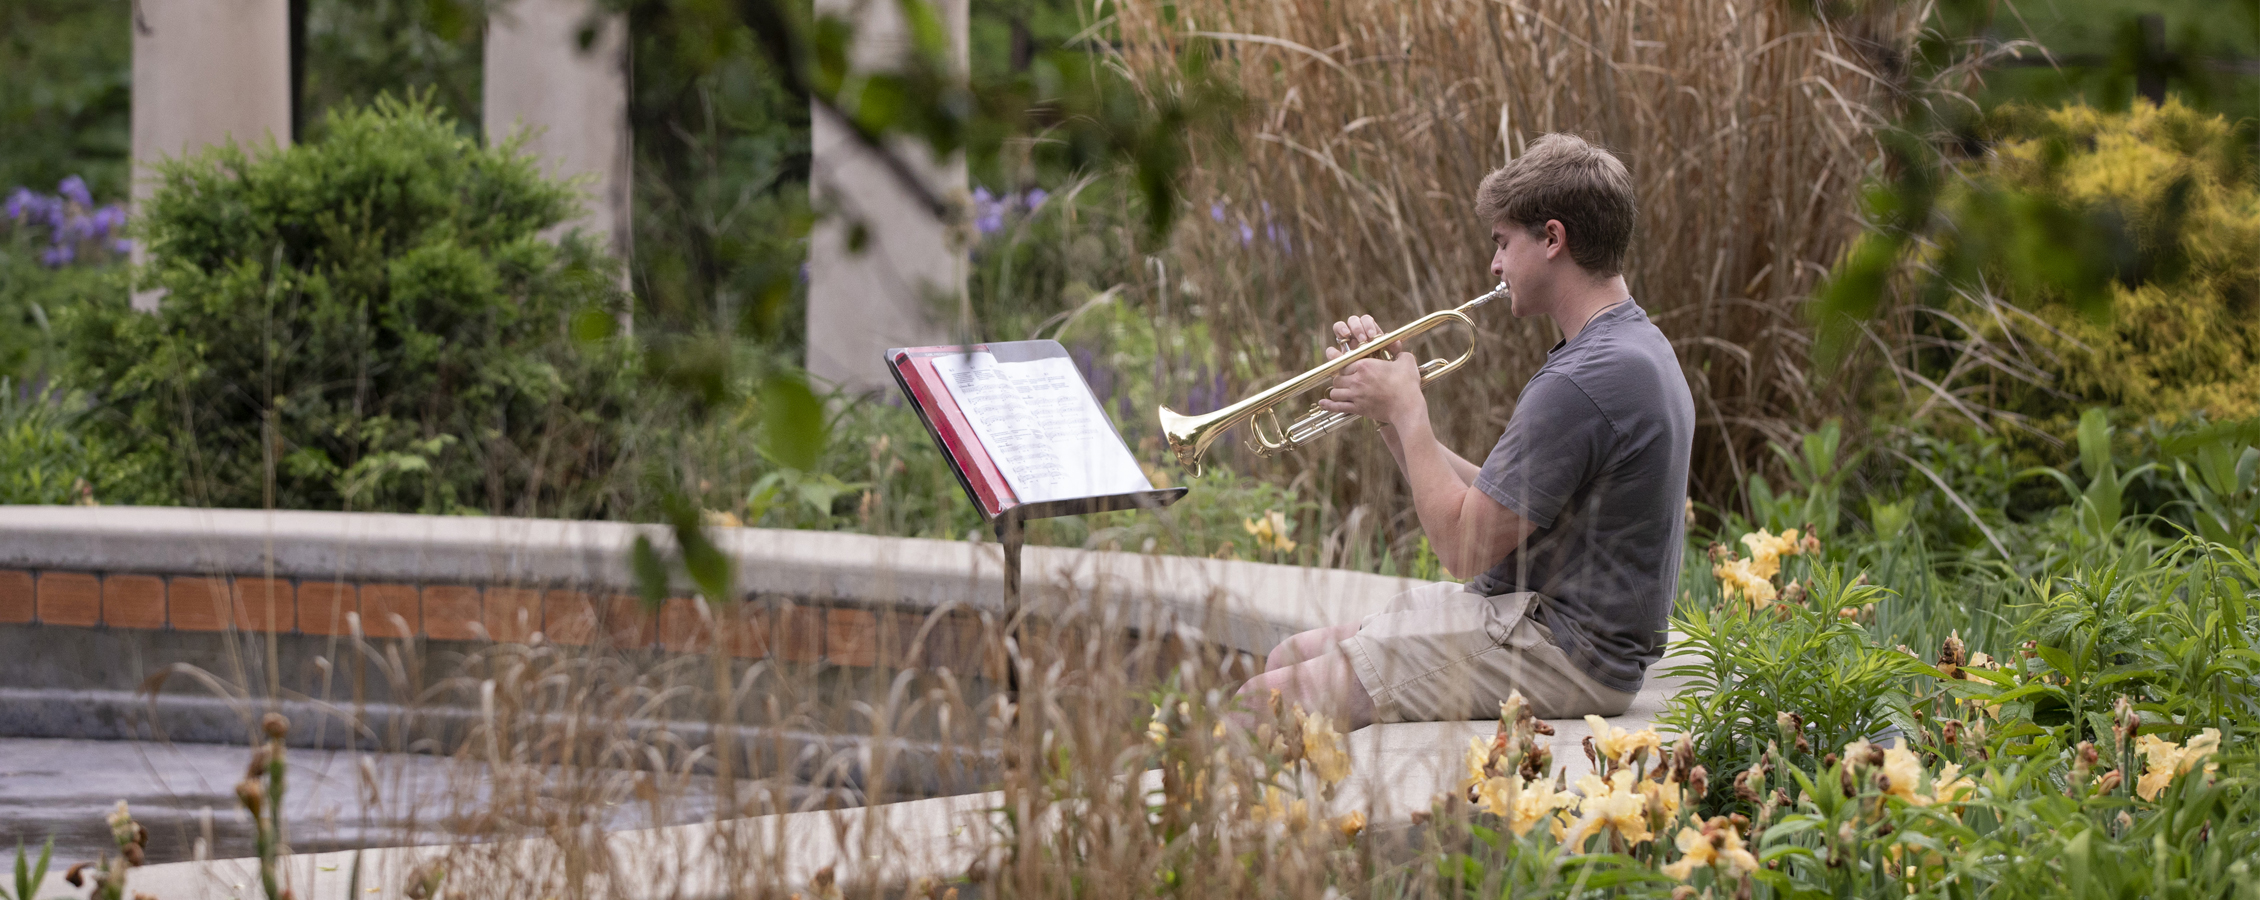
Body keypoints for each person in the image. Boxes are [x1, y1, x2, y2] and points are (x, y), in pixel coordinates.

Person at [1236, 133, 1694, 729]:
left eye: (1503, 243)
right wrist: (1390, 419)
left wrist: (1408, 409)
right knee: (1288, 655)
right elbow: (1501, 503)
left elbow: (1462, 548)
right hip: (1548, 628)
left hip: (1561, 651)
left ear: (1552, 239)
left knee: (1258, 702)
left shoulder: (1585, 380)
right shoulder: (1631, 346)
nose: (1495, 265)